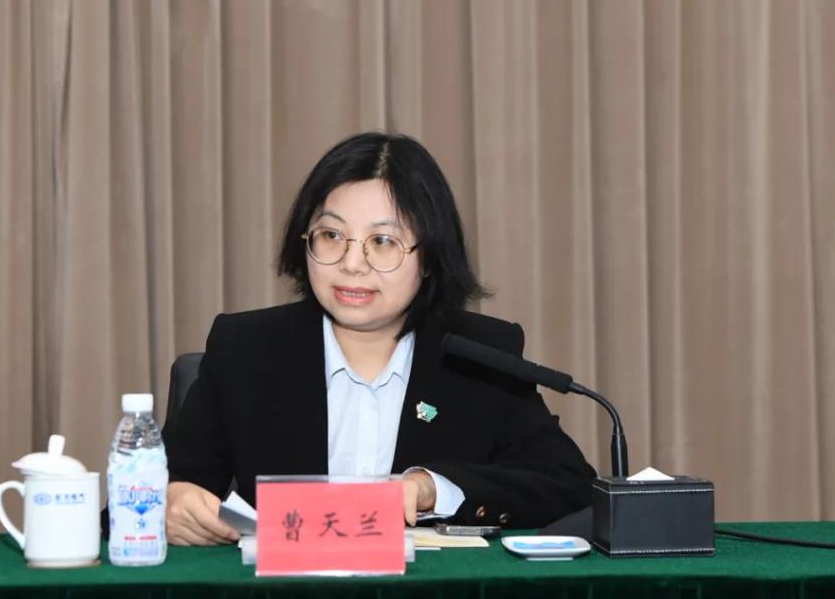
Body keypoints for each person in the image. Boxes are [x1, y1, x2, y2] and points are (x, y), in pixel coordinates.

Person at [161, 132, 595, 546]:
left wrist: (434, 489)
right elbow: (160, 483)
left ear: (430, 257)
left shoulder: (481, 356)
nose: (352, 263)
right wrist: (170, 499)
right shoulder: (247, 349)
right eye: (332, 236)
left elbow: (569, 486)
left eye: (383, 241)